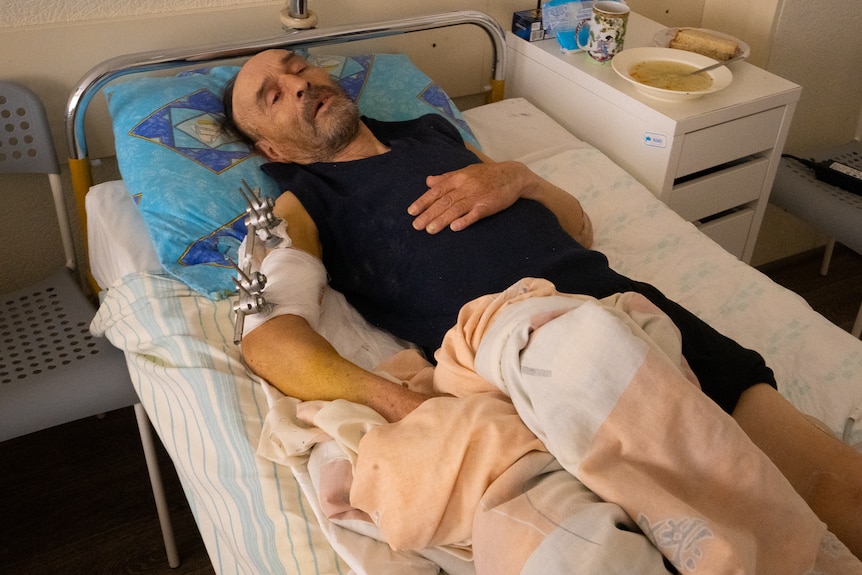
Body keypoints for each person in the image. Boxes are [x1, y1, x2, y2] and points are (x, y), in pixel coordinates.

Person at [223, 48, 862, 558]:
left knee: (842, 488)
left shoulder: (431, 133)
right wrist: (402, 404)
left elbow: (580, 229)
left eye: (298, 68)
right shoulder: (300, 204)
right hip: (534, 355)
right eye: (272, 96)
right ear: (271, 150)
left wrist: (518, 177)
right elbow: (270, 340)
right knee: (713, 514)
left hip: (630, 305)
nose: (299, 85)